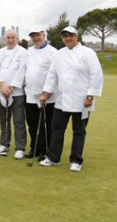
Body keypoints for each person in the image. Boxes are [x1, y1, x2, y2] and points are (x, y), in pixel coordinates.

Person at [39, 26, 103, 172]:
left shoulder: (88, 53)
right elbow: (52, 75)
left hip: (82, 101)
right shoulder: (59, 54)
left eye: (71, 35)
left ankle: (76, 160)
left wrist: (90, 95)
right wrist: (46, 92)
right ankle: (53, 157)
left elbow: (96, 74)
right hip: (62, 100)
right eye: (65, 36)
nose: (68, 38)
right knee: (57, 129)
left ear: (77, 36)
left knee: (79, 130)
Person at [24, 26, 57, 161]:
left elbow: (54, 74)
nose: (36, 38)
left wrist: (47, 92)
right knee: (32, 123)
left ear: (44, 35)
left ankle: (45, 150)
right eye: (33, 36)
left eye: (38, 35)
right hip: (31, 94)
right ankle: (35, 147)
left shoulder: (53, 52)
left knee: (46, 124)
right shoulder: (29, 52)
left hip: (47, 96)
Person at [0, 29, 27, 159]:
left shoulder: (23, 52)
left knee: (18, 120)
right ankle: (4, 143)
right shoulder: (0, 52)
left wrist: (11, 87)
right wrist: (1, 86)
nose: (11, 40)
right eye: (8, 38)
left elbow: (22, 70)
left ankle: (20, 147)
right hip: (1, 91)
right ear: (5, 39)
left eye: (13, 37)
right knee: (3, 120)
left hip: (16, 92)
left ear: (16, 39)